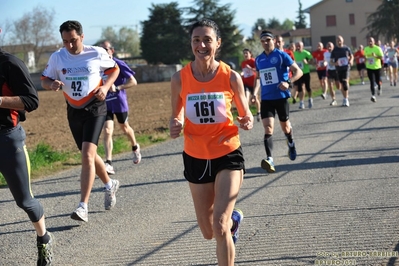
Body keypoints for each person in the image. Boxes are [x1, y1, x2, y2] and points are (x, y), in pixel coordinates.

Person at [169, 18, 253, 266]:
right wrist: (175, 124)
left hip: (227, 152)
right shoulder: (179, 79)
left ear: (218, 43)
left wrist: (246, 121)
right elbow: (176, 115)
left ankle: (227, 224)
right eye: (196, 40)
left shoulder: (231, 76)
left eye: (207, 39)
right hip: (195, 156)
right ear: (191, 44)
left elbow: (245, 114)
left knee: (219, 225)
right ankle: (233, 222)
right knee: (209, 232)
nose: (202, 45)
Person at [41, 20, 120, 222]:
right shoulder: (58, 57)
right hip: (74, 110)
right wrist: (52, 84)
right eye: (65, 41)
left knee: (87, 154)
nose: (69, 45)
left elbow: (114, 70)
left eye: (73, 40)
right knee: (90, 155)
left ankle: (82, 206)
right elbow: (44, 79)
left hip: (95, 107)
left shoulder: (97, 53)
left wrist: (105, 87)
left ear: (82, 37)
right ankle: (110, 185)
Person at [0, 40, 54, 265]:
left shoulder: (10, 64)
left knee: (25, 201)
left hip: (7, 138)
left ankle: (44, 239)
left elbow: (31, 101)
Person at [255, 30, 303, 173]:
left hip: (281, 97)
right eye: (263, 40)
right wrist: (254, 93)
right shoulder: (258, 60)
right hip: (266, 99)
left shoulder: (281, 55)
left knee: (285, 128)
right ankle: (270, 159)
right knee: (268, 128)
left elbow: (298, 71)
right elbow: (258, 78)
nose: (265, 43)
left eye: (268, 40)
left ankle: (291, 142)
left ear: (274, 40)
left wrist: (288, 82)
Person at [100, 41, 141, 175]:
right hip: (105, 103)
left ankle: (135, 147)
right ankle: (109, 163)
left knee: (124, 127)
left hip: (119, 102)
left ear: (112, 50)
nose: (104, 51)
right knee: (107, 131)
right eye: (101, 49)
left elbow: (133, 81)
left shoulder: (119, 64)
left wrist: (117, 88)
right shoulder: (98, 66)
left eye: (106, 49)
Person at [330, 35, 353, 107]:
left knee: (345, 82)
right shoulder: (334, 50)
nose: (339, 41)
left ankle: (346, 99)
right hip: (339, 69)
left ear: (343, 40)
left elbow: (352, 56)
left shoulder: (347, 48)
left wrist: (351, 60)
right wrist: (335, 63)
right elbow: (331, 61)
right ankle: (344, 98)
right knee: (341, 84)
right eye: (337, 40)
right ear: (336, 41)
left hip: (346, 67)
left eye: (340, 40)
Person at [241, 48, 261, 122]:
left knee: (255, 99)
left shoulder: (253, 61)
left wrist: (250, 68)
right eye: (244, 53)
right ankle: (247, 114)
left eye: (247, 53)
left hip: (254, 83)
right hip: (246, 83)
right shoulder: (243, 63)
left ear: (250, 54)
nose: (245, 54)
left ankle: (258, 112)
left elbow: (257, 71)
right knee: (246, 98)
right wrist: (242, 74)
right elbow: (245, 72)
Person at [293, 41, 313, 109]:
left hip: (306, 72)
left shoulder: (306, 53)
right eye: (297, 46)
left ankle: (310, 98)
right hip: (298, 74)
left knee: (308, 87)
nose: (298, 47)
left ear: (302, 46)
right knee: (300, 88)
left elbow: (312, 61)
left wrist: (307, 62)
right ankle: (301, 102)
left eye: (299, 46)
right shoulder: (294, 53)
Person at [364, 37, 383, 102]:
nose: (370, 42)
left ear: (374, 42)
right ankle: (373, 95)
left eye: (371, 41)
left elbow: (381, 57)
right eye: (369, 41)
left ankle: (379, 88)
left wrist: (375, 56)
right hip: (369, 67)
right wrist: (365, 59)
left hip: (377, 67)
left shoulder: (378, 48)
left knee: (378, 81)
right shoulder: (366, 49)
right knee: (372, 81)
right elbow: (364, 57)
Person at [323, 42, 341, 106]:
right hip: (329, 70)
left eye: (330, 46)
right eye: (328, 46)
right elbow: (325, 60)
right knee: (330, 85)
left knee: (338, 86)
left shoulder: (336, 52)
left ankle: (342, 90)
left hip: (336, 70)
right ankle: (333, 99)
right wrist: (324, 63)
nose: (329, 47)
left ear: (333, 47)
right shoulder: (325, 53)